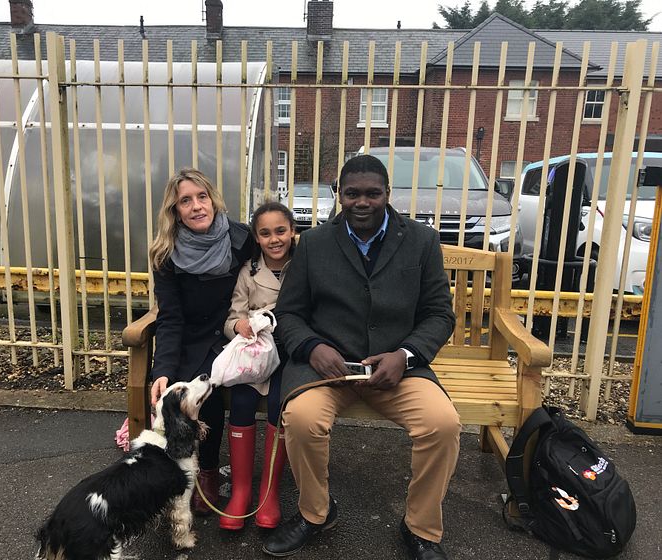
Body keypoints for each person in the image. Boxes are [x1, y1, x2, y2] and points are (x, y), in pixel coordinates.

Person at [263, 155, 461, 559]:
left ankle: (421, 529)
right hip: (327, 369)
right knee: (301, 419)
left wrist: (405, 355)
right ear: (339, 195)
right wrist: (313, 348)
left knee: (442, 424)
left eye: (373, 193)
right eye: (352, 193)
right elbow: (289, 314)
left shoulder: (421, 241)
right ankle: (315, 513)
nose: (362, 202)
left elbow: (440, 314)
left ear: (387, 195)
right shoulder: (315, 243)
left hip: (398, 370)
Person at [148, 168, 253, 516]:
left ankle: (207, 469)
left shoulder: (241, 239)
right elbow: (170, 317)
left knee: (207, 385)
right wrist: (161, 368)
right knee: (177, 385)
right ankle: (171, 467)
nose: (196, 206)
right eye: (185, 201)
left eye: (201, 197)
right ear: (175, 211)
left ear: (213, 199)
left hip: (230, 334)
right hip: (189, 337)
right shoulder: (166, 252)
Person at [219, 201, 296, 531]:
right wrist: (238, 327)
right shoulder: (248, 272)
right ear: (256, 237)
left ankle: (269, 493)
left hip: (289, 352)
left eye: (281, 231)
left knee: (281, 402)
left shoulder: (304, 265)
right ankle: (240, 491)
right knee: (241, 400)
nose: (274, 239)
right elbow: (232, 316)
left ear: (293, 232)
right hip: (256, 353)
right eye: (265, 234)